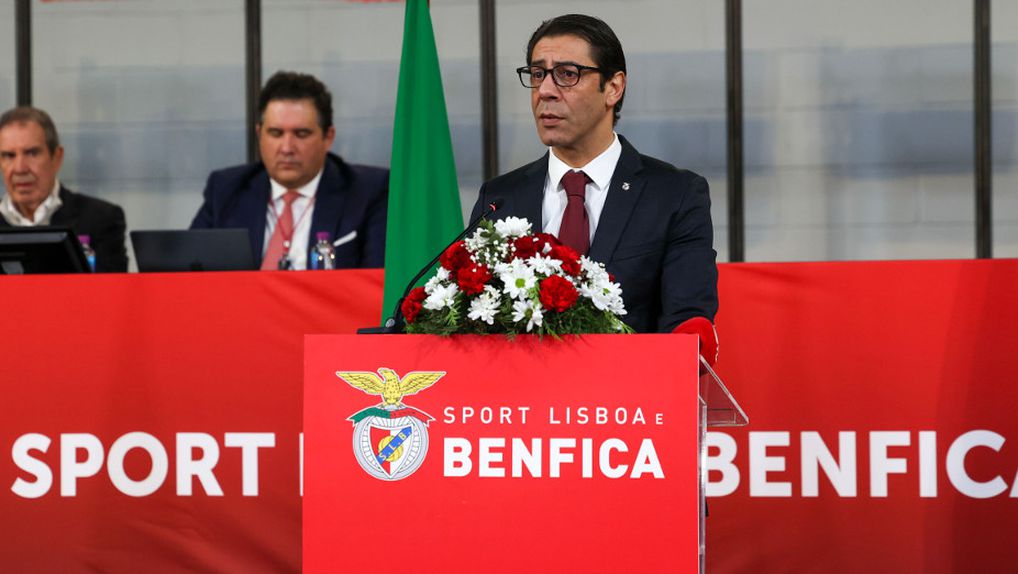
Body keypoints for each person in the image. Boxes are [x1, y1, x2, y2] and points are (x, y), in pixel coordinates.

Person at [470, 14, 719, 360]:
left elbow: (685, 321)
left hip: (630, 404)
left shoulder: (675, 195)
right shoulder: (499, 198)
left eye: (567, 75)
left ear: (613, 88)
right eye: (538, 73)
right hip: (524, 405)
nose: (545, 91)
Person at [191, 71, 388, 270]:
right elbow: (188, 272)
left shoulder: (368, 193)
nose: (286, 148)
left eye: (301, 134)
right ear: (259, 134)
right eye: (275, 133)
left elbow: (377, 282)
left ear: (328, 137)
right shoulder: (225, 190)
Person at [0, 106, 128, 272]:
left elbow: (113, 294)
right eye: (9, 156)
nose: (20, 168)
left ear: (57, 157)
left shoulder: (101, 219)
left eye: (32, 153)